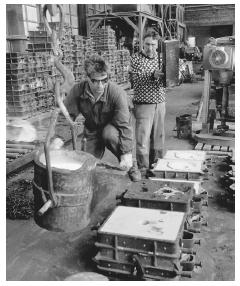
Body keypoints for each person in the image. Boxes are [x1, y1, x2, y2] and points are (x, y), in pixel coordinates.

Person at [52, 54, 133, 170]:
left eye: (104, 80)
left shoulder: (117, 93)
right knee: (86, 165)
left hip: (113, 128)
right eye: (95, 81)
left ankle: (132, 169)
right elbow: (66, 116)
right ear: (88, 78)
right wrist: (59, 138)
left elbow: (124, 126)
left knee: (110, 137)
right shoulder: (78, 90)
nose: (100, 85)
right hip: (92, 129)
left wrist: (126, 153)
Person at [130, 30, 166, 172]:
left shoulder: (162, 58)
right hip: (143, 104)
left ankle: (157, 165)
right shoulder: (136, 58)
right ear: (142, 44)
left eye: (153, 44)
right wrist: (152, 75)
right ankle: (143, 168)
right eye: (147, 44)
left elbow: (171, 78)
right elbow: (135, 79)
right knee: (143, 138)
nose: (150, 48)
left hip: (160, 103)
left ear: (157, 45)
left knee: (158, 137)